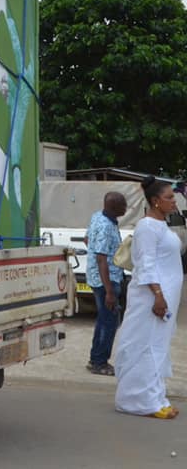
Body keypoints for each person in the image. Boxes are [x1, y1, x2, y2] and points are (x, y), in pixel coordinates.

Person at [114, 176, 184, 419]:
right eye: (169, 198)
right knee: (145, 346)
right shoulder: (146, 227)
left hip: (165, 296)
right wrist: (158, 296)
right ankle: (137, 401)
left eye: (173, 197)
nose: (174, 202)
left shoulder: (162, 225)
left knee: (158, 347)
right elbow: (146, 264)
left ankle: (155, 397)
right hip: (152, 298)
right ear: (155, 201)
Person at [85, 191, 128, 376]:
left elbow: (88, 239)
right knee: (109, 322)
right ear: (114, 207)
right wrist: (110, 291)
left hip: (101, 277)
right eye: (123, 206)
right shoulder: (104, 226)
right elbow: (102, 259)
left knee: (104, 319)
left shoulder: (98, 216)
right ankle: (99, 362)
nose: (126, 208)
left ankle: (95, 358)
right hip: (106, 281)